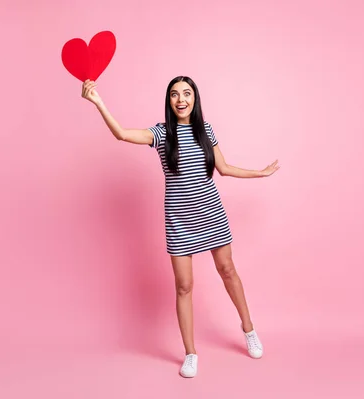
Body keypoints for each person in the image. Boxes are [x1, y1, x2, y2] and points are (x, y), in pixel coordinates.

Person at [81, 76, 279, 378]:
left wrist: (259, 173)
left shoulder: (205, 130)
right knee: (184, 286)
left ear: (195, 99)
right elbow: (121, 134)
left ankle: (249, 329)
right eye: (175, 94)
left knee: (228, 270)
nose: (181, 99)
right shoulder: (161, 134)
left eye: (187, 93)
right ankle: (190, 353)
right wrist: (98, 102)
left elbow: (223, 169)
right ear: (169, 101)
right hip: (178, 220)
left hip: (211, 213)